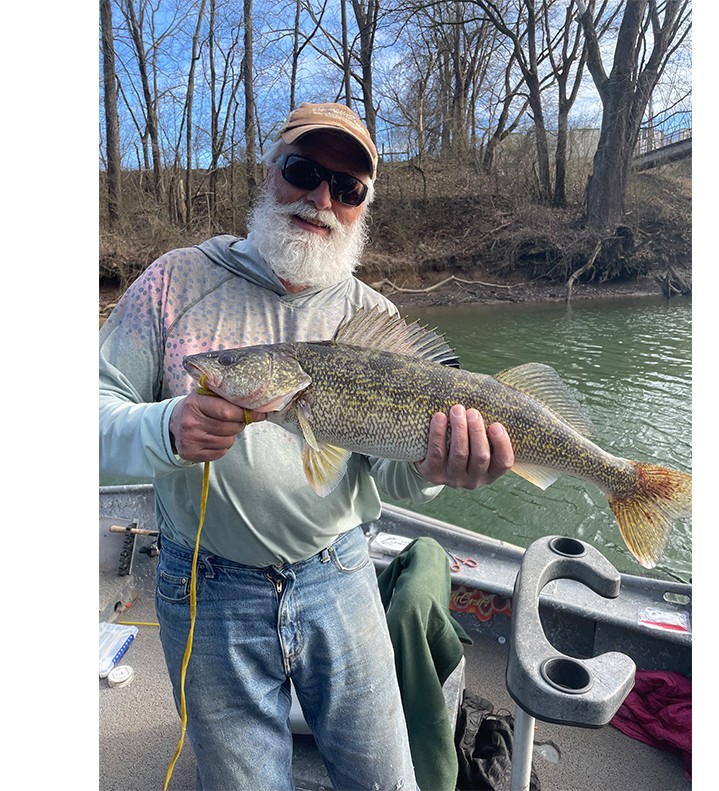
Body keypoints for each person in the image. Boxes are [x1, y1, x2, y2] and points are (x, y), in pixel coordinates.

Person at [99, 101, 515, 790]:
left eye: (347, 188)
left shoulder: (375, 317)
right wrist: (166, 427)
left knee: (386, 779)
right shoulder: (173, 281)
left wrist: (439, 468)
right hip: (206, 587)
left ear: (362, 207)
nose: (321, 198)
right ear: (269, 172)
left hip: (340, 573)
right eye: (303, 170)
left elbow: (393, 478)